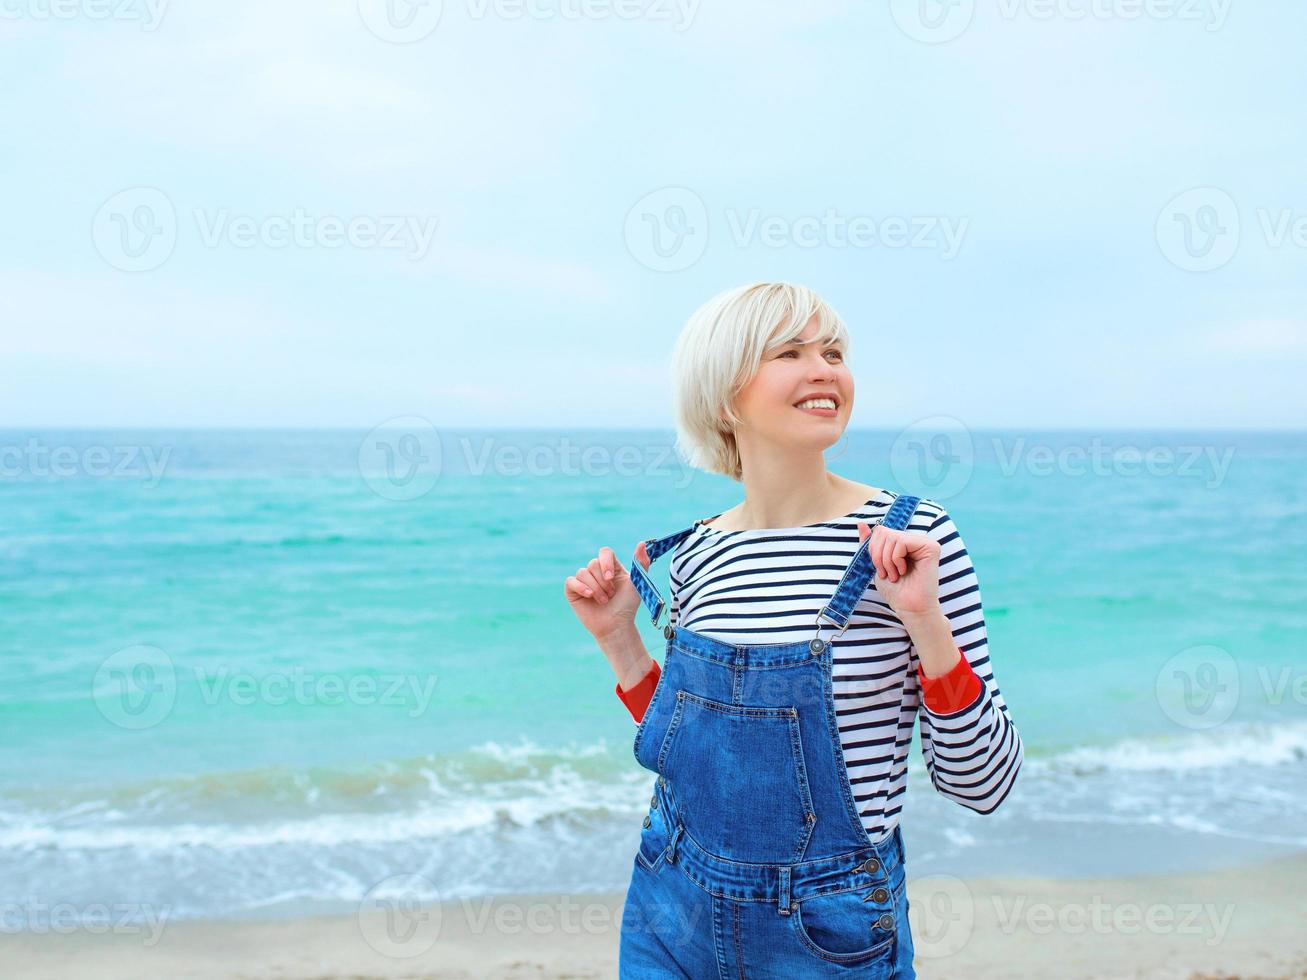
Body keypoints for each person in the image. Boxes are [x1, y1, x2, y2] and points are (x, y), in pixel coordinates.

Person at [563, 282, 1023, 977]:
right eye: (790, 352)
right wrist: (618, 640)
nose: (824, 370)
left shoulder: (913, 537)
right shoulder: (692, 556)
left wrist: (924, 620)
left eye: (833, 351)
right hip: (668, 902)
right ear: (724, 396)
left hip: (826, 926)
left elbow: (982, 783)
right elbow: (685, 751)